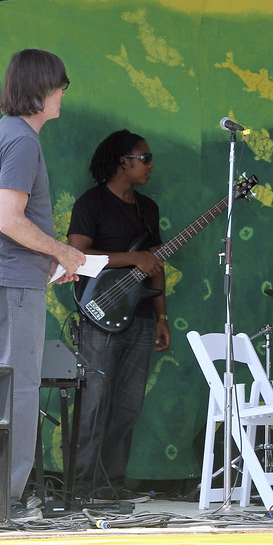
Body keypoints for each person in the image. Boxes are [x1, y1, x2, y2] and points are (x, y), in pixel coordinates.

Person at [0, 49, 86, 520]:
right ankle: (10, 499)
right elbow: (10, 221)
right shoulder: (21, 142)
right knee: (19, 389)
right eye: (60, 85)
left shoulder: (2, 135)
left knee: (5, 387)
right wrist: (62, 251)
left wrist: (50, 259)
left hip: (8, 277)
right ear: (41, 89)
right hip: (14, 282)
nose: (63, 92)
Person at [67, 130, 169, 503]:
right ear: (122, 162)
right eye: (145, 158)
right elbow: (75, 256)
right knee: (94, 402)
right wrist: (130, 259)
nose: (150, 164)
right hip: (99, 316)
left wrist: (162, 316)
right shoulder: (91, 203)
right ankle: (80, 488)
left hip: (141, 316)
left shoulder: (147, 209)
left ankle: (111, 485)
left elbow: (155, 264)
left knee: (128, 405)